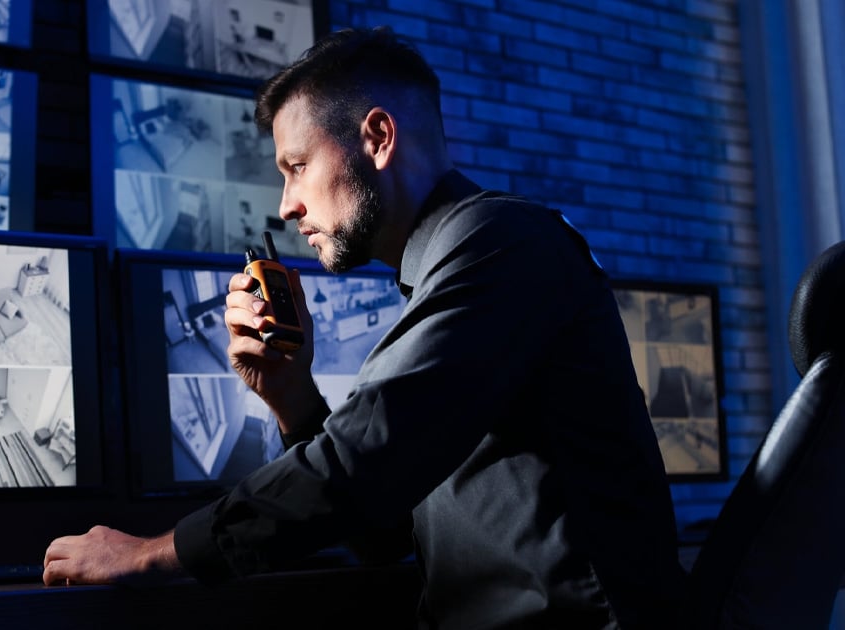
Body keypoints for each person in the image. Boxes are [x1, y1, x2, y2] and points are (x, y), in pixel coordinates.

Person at [44, 27, 686, 628]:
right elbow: (382, 531)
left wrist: (152, 553)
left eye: (296, 166)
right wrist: (291, 396)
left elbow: (359, 466)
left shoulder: (502, 245)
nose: (286, 204)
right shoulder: (447, 280)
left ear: (378, 138)